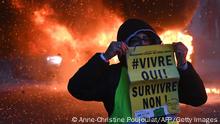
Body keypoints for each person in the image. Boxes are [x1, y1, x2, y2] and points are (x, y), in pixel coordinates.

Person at [67, 18, 207, 123]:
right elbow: (77, 88)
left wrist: (182, 64)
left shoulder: (167, 72)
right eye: (134, 40)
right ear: (124, 46)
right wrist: (104, 57)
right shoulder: (113, 76)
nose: (142, 43)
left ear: (154, 42)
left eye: (146, 39)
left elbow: (198, 98)